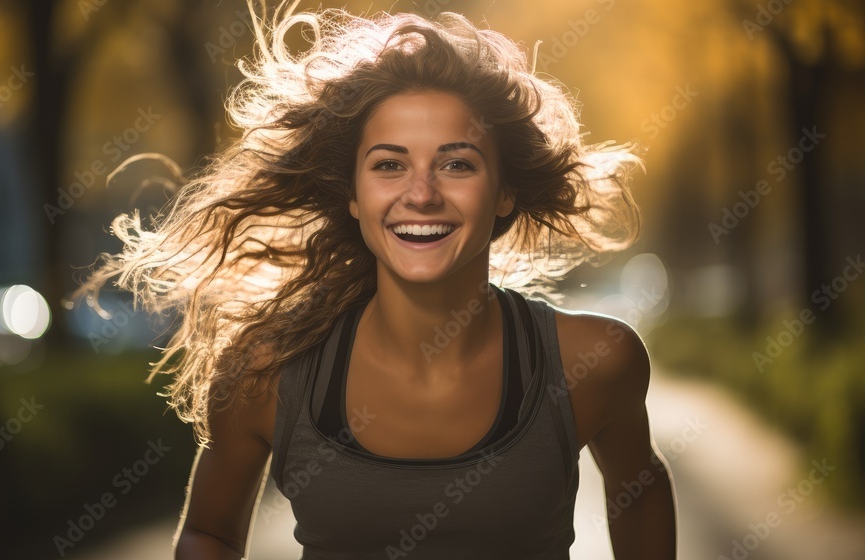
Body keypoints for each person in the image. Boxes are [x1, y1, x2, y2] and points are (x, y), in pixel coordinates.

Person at [70, 1, 677, 558]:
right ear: (354, 196)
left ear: (504, 192)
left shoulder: (597, 362)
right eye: (389, 165)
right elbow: (209, 533)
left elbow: (641, 491)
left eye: (456, 164)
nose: (420, 194)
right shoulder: (267, 372)